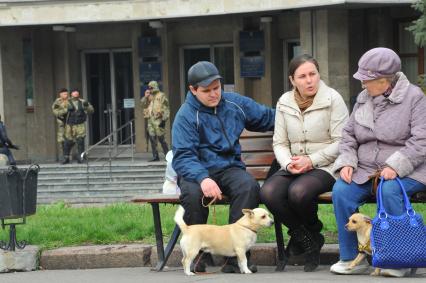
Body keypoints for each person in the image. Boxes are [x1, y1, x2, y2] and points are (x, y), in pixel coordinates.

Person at [330, 47, 426, 277]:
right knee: (341, 190)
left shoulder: (414, 98)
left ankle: (400, 258)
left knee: (389, 189)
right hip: (366, 169)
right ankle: (354, 257)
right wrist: (347, 162)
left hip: (409, 169)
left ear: (384, 81)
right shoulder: (364, 99)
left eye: (367, 79)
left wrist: (396, 165)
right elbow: (348, 135)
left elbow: (421, 139)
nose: (362, 84)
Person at [172, 61, 275, 273]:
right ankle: (199, 254)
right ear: (193, 90)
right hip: (197, 172)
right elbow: (183, 157)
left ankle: (236, 258)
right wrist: (203, 178)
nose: (213, 94)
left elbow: (267, 117)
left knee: (248, 186)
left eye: (216, 88)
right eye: (206, 90)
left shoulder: (234, 103)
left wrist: (298, 111)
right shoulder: (185, 116)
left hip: (229, 168)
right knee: (193, 195)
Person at [259, 54, 349, 272]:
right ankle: (309, 237)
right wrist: (288, 163)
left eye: (313, 74)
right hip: (295, 163)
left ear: (318, 75)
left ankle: (310, 231)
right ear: (292, 80)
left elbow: (341, 142)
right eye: (302, 76)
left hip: (326, 164)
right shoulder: (284, 102)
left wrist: (312, 160)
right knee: (268, 192)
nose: (309, 80)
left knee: (298, 192)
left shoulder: (333, 99)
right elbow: (279, 142)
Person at [62, 89, 94, 164]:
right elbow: (59, 112)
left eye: (77, 92)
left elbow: (91, 110)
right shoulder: (66, 102)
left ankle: (80, 157)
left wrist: (86, 106)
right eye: (74, 93)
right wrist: (67, 110)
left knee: (80, 141)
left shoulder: (83, 102)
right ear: (71, 94)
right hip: (70, 125)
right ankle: (66, 157)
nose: (76, 94)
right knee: (68, 141)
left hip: (80, 124)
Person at [141, 81, 170, 162]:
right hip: (150, 120)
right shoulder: (149, 96)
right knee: (152, 139)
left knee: (161, 139)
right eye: (149, 87)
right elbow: (143, 105)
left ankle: (167, 156)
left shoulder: (161, 95)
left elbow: (166, 108)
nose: (150, 89)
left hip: (158, 120)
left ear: (155, 86)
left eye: (151, 87)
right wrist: (145, 97)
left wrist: (164, 119)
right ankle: (155, 156)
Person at [51, 88, 69, 162]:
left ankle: (68, 156)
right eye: (64, 94)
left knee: (71, 140)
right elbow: (55, 112)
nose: (66, 95)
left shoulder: (70, 101)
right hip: (61, 123)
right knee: (62, 141)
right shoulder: (57, 102)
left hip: (70, 123)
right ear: (60, 94)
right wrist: (65, 111)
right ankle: (65, 157)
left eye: (67, 94)